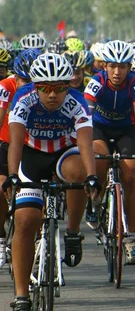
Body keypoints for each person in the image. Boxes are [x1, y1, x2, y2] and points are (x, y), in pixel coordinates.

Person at [3, 53, 100, 311]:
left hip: (64, 152)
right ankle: (22, 294)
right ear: (35, 87)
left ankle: (72, 232)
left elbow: (85, 143)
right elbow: (15, 142)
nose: (53, 94)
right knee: (25, 220)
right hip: (31, 155)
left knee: (78, 174)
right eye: (45, 88)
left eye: (59, 88)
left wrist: (92, 177)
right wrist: (13, 174)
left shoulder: (78, 103)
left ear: (68, 86)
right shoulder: (23, 99)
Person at [84, 40, 135, 265]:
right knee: (98, 160)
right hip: (99, 128)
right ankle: (96, 201)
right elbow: (86, 115)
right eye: (113, 66)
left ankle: (130, 236)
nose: (117, 72)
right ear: (105, 66)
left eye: (122, 67)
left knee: (131, 178)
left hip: (125, 131)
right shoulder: (97, 82)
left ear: (129, 68)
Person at [0, 48, 41, 270]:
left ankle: (43, 239)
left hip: (33, 146)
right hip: (7, 143)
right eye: (24, 80)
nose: (30, 87)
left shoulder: (46, 90)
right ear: (15, 78)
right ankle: (0, 237)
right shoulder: (5, 88)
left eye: (34, 81)